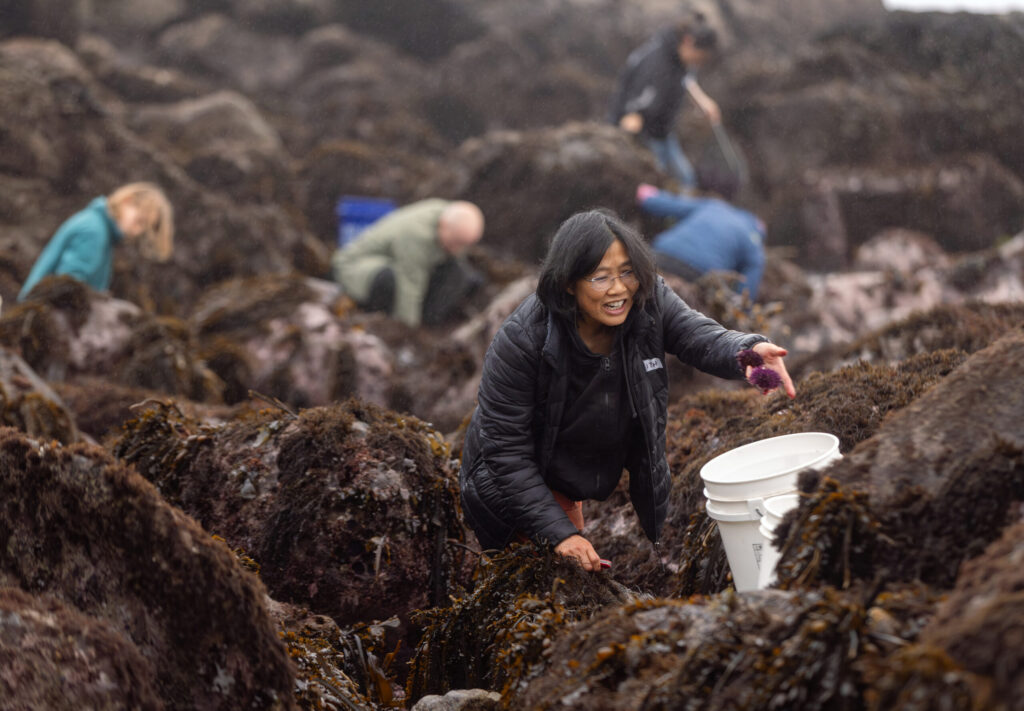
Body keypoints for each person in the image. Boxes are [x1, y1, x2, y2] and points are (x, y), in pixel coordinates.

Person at [459, 209, 795, 571]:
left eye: (627, 272)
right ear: (568, 282)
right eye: (600, 278)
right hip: (507, 487)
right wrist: (560, 535)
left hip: (567, 478)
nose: (619, 289)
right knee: (536, 582)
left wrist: (748, 352)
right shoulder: (522, 340)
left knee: (573, 575)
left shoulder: (649, 302)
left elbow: (698, 335)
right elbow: (505, 451)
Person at [331, 198, 485, 327]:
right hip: (356, 266)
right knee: (391, 281)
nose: (459, 250)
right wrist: (408, 331)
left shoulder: (451, 219)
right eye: (456, 243)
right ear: (444, 226)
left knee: (457, 274)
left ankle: (431, 325)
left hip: (397, 264)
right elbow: (409, 286)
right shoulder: (417, 234)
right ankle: (382, 322)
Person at [608, 15, 721, 192]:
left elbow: (687, 78)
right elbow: (634, 98)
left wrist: (702, 100)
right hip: (645, 133)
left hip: (664, 131)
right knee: (655, 182)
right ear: (688, 41)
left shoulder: (682, 57)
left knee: (686, 178)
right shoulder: (656, 63)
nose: (698, 64)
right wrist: (630, 118)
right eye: (698, 58)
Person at [18, 182, 174, 302]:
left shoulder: (97, 225)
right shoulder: (94, 232)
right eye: (139, 221)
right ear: (127, 201)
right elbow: (65, 289)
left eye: (144, 228)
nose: (137, 231)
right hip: (37, 328)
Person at [638, 184, 766, 301]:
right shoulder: (754, 243)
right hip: (699, 273)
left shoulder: (715, 206)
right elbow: (746, 293)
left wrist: (648, 197)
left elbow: (673, 205)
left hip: (661, 254)